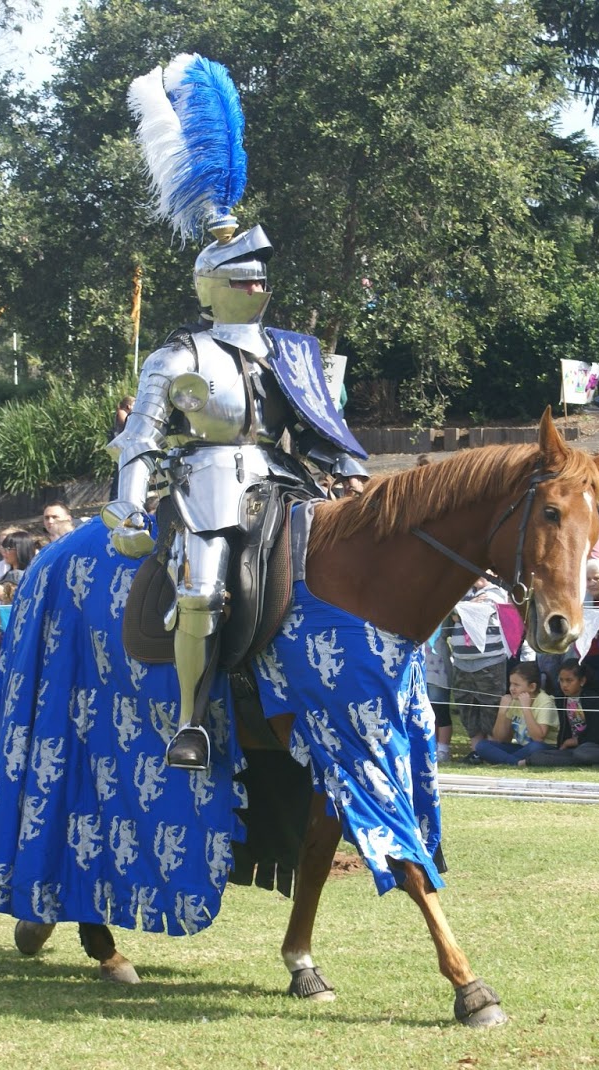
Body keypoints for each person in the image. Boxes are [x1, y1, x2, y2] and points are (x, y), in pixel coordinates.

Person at [101, 216, 368, 772]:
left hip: (284, 477)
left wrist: (351, 475)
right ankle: (189, 723)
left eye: (260, 281)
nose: (256, 290)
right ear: (211, 286)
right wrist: (126, 507)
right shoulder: (177, 357)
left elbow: (319, 427)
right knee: (201, 591)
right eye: (243, 281)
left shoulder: (290, 353)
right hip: (206, 484)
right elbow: (140, 438)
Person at [519, 662, 599, 767]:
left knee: (583, 753)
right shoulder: (561, 699)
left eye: (569, 680)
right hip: (571, 750)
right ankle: (589, 762)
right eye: (561, 680)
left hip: (593, 747)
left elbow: (597, 733)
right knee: (539, 755)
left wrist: (572, 741)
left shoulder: (591, 699)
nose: (564, 685)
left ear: (582, 681)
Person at [446, 578, 512, 752]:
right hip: (461, 662)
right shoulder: (464, 591)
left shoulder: (497, 591)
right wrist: (462, 607)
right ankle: (476, 752)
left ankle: (491, 752)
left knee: (490, 709)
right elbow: (453, 614)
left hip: (489, 661)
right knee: (467, 709)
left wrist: (459, 607)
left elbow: (471, 612)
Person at [471, 661, 558, 765]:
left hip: (544, 748)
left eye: (516, 685)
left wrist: (526, 708)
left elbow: (538, 738)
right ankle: (517, 763)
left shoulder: (545, 701)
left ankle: (506, 760)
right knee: (482, 745)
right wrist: (502, 711)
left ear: (532, 687)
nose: (512, 688)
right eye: (511, 684)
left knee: (535, 747)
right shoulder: (514, 700)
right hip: (522, 748)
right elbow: (500, 739)